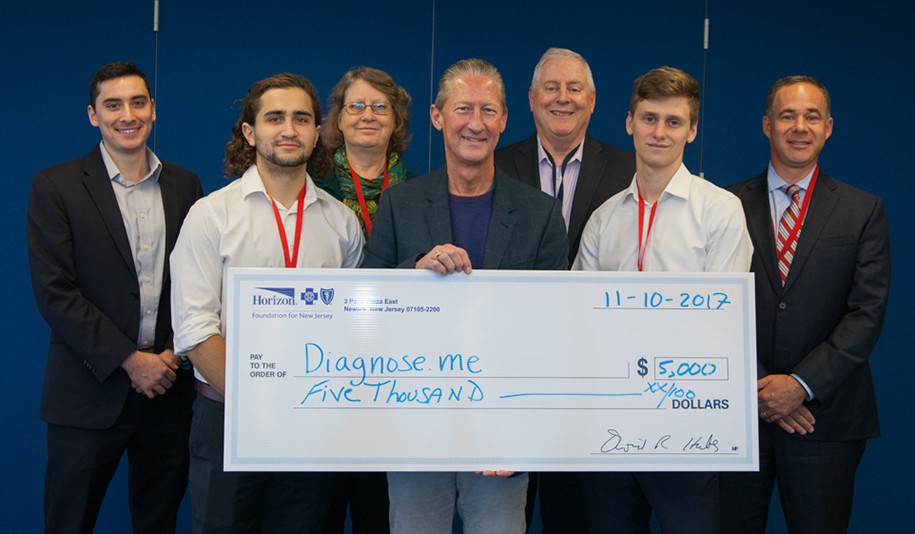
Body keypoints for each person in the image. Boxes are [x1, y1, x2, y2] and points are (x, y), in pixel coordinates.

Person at [363, 58, 568, 534]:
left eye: (488, 110)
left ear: (504, 120)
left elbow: (554, 332)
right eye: (463, 109)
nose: (476, 123)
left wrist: (522, 433)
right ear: (437, 117)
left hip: (502, 431)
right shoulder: (401, 203)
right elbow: (366, 304)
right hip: (416, 424)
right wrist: (414, 276)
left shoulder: (539, 213)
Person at [170, 73, 364, 533]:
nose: (289, 129)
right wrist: (260, 402)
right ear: (250, 132)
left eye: (302, 118)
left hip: (312, 424)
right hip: (227, 417)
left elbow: (355, 328)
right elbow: (196, 329)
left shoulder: (341, 224)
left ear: (318, 133)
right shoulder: (212, 215)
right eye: (274, 118)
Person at [573, 66, 752, 533]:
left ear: (692, 131)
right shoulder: (604, 219)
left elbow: (721, 325)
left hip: (686, 425)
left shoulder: (720, 211)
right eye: (649, 118)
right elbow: (578, 322)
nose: (659, 132)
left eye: (674, 122)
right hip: (610, 428)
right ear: (629, 122)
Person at [26, 61, 202, 533]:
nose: (128, 114)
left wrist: (172, 354)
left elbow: (198, 283)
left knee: (158, 521)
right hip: (87, 391)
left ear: (153, 109)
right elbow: (54, 292)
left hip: (168, 389)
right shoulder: (56, 186)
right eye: (113, 104)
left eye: (138, 102)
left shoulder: (185, 186)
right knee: (69, 522)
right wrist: (129, 359)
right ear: (93, 115)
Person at [720, 76, 890, 534]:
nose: (800, 126)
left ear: (828, 127)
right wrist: (759, 386)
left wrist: (799, 384)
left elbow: (866, 313)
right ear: (766, 125)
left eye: (811, 116)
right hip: (739, 415)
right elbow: (710, 308)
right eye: (787, 115)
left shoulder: (862, 210)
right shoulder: (725, 205)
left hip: (824, 418)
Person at [494, 47, 634, 532]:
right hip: (509, 371)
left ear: (593, 101)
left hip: (592, 376)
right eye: (551, 88)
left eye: (574, 89)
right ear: (532, 99)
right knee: (503, 509)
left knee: (572, 512)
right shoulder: (494, 165)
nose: (562, 98)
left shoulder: (629, 170)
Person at [317, 67, 414, 242]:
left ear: (395, 120)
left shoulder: (417, 191)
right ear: (339, 120)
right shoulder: (315, 187)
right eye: (356, 106)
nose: (368, 116)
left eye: (380, 107)